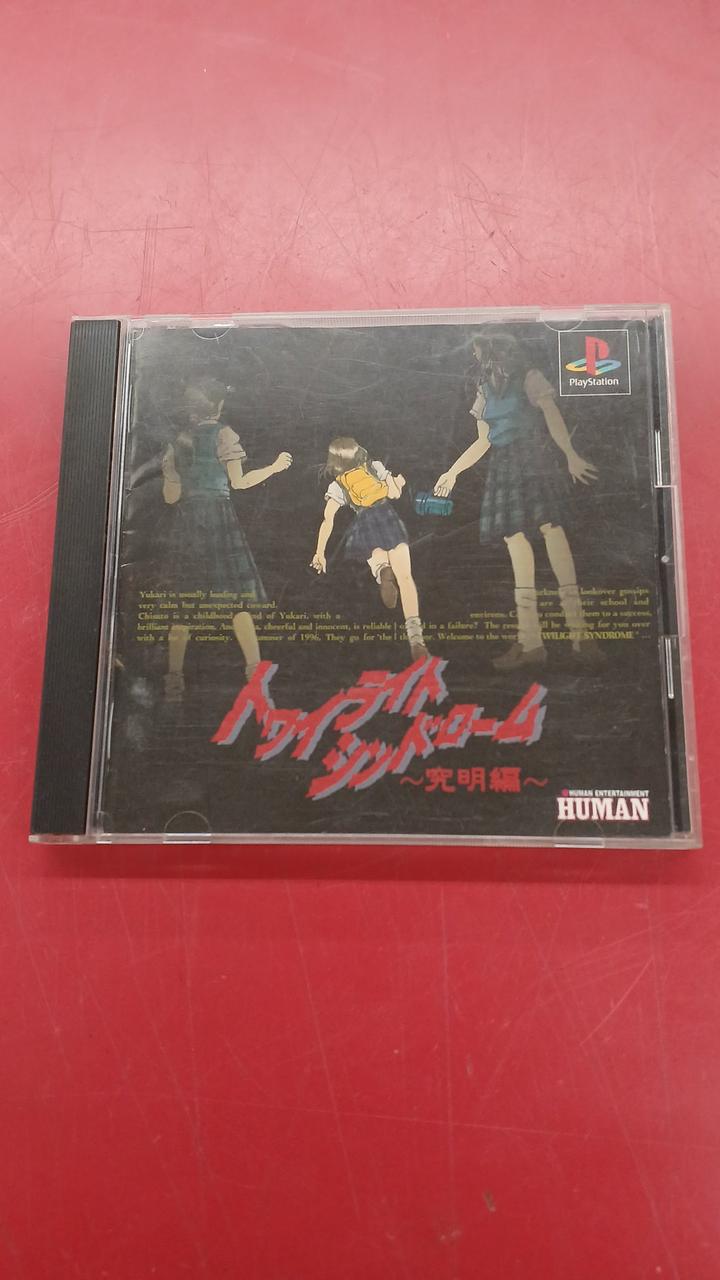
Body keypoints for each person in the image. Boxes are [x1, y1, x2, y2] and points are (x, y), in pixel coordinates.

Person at [433, 329, 602, 670]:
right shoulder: (483, 390)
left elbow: (551, 414)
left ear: (494, 352)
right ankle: (530, 643)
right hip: (504, 464)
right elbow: (483, 441)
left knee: (551, 529)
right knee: (514, 538)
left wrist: (569, 454)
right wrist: (452, 472)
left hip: (533, 459)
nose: (476, 358)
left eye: (479, 352)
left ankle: (581, 636)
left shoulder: (528, 376)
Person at [159, 376, 292, 698]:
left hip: (189, 525)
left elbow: (171, 498)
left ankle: (174, 680)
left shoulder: (177, 442)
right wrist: (274, 468)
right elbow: (240, 482)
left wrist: (172, 475)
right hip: (219, 520)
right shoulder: (224, 434)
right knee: (238, 600)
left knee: (183, 603)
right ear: (219, 405)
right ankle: (255, 678)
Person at [310, 436, 429, 661]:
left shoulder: (337, 485)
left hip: (365, 522)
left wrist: (319, 552)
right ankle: (416, 639)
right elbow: (394, 494)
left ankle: (382, 571)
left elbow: (328, 520)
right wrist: (399, 483)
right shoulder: (374, 467)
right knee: (405, 578)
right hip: (387, 517)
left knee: (377, 560)